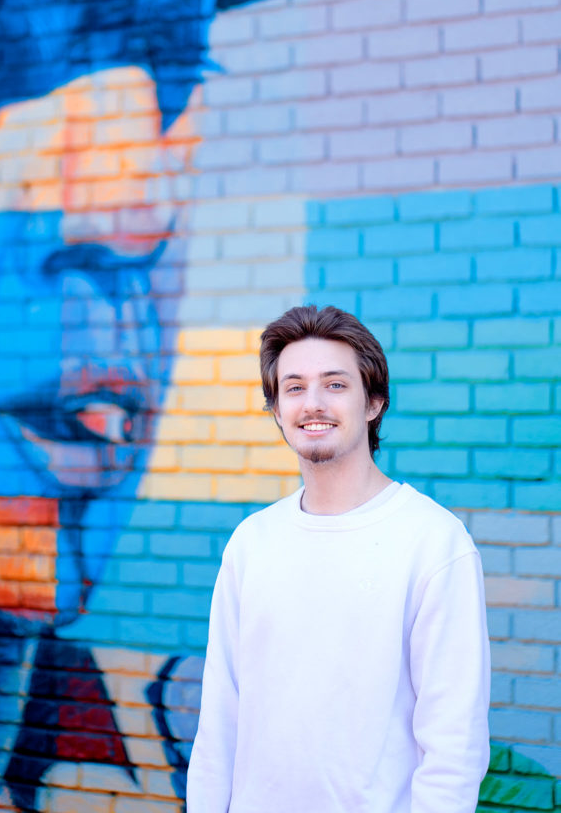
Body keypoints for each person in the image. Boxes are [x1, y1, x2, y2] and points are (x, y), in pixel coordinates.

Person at [186, 304, 491, 813]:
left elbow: (453, 743)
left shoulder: (434, 542)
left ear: (373, 402)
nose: (313, 404)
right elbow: (219, 717)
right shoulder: (252, 542)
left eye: (335, 384)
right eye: (295, 387)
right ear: (277, 409)